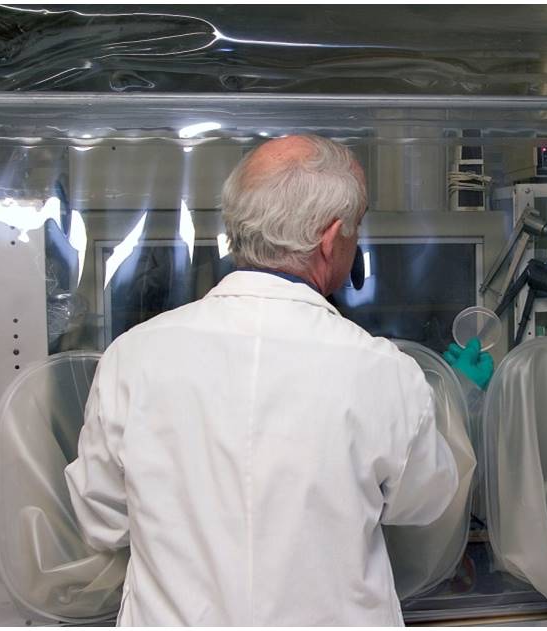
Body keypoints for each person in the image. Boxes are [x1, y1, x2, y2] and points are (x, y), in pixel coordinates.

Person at [64, 135, 459, 626]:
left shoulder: (131, 358)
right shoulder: (383, 371)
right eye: (356, 228)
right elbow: (425, 504)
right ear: (332, 238)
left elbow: (101, 521)